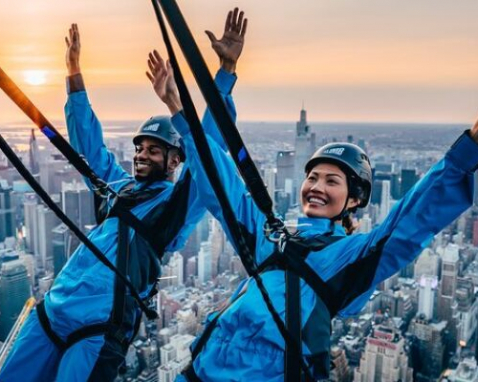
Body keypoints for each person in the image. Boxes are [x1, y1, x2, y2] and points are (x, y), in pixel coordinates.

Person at [149, 35, 478, 380]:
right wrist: (178, 106)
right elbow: (222, 184)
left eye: (332, 181)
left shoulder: (347, 256)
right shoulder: (270, 239)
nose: (317, 187)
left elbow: (411, 221)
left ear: (354, 200)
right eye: (314, 178)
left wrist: (469, 147)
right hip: (199, 370)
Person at [0, 9, 245, 382]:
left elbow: (207, 147)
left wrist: (224, 74)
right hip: (54, 309)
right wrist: (73, 74)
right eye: (139, 148)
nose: (142, 155)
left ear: (176, 159)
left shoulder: (177, 204)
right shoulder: (117, 187)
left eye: (154, 149)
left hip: (99, 326)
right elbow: (89, 145)